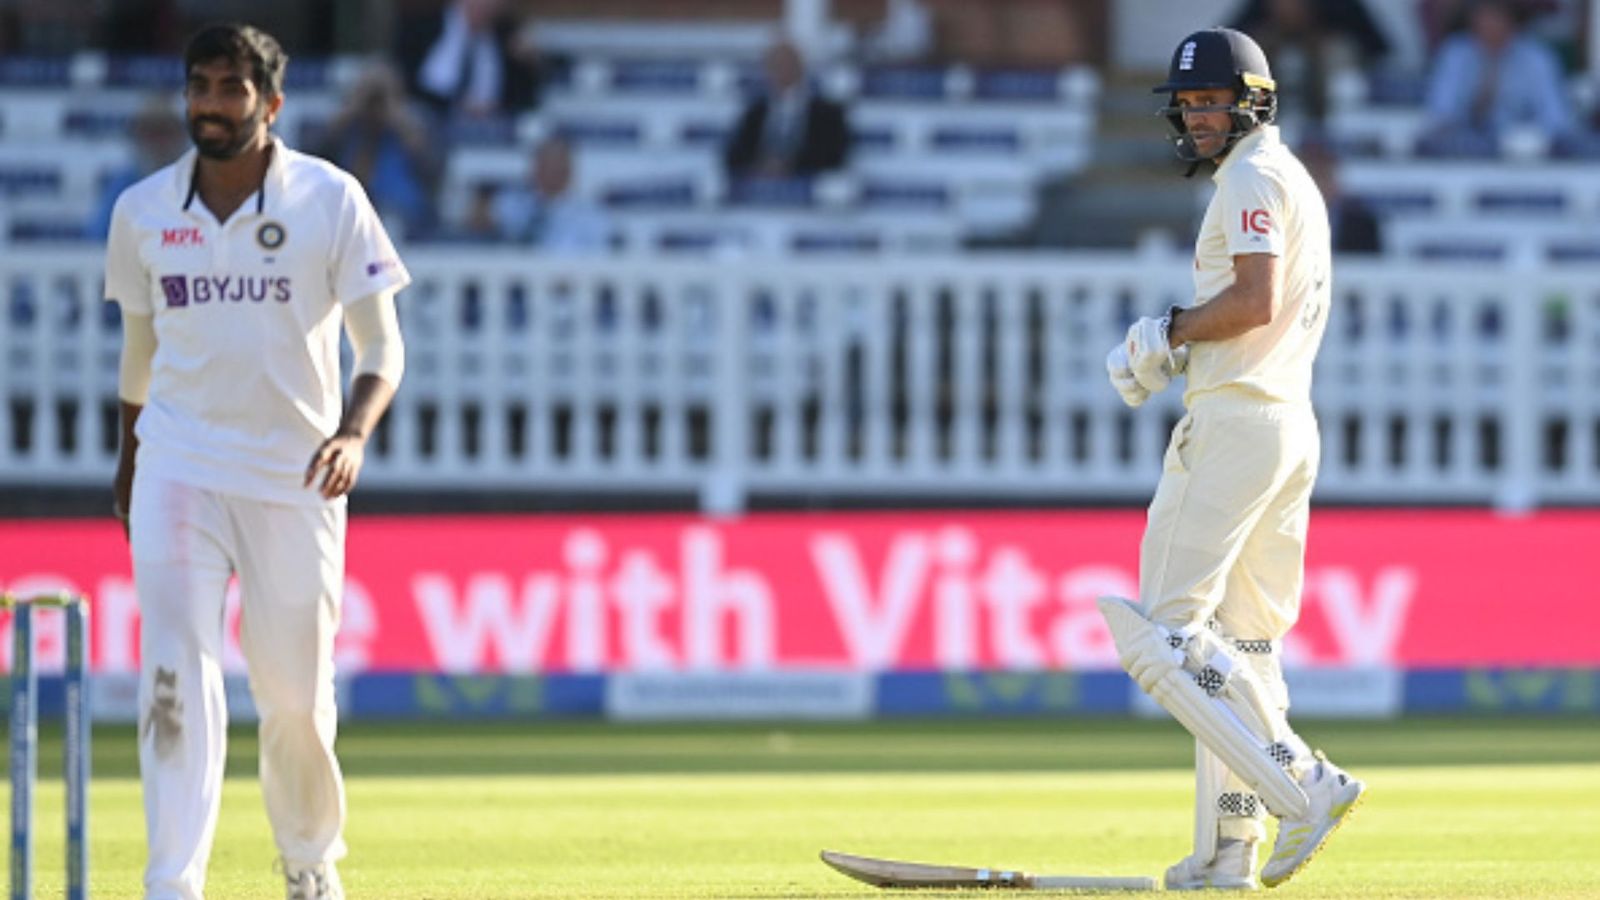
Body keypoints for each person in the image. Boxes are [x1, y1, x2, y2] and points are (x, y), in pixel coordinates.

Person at [104, 23, 409, 900]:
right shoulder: (143, 211)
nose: (210, 104)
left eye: (231, 89)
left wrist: (352, 433)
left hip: (295, 473)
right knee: (174, 671)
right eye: (198, 86)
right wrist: (129, 459)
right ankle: (173, 882)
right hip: (180, 464)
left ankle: (310, 863)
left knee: (296, 696)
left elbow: (381, 346)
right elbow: (138, 355)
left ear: (270, 104)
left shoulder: (330, 197)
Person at [1101, 27, 1365, 892]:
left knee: (1160, 638)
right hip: (1287, 423)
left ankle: (1301, 781)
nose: (1197, 116)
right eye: (1188, 104)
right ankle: (1227, 854)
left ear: (1251, 102)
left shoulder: (1251, 178)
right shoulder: (1288, 177)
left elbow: (1251, 301)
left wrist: (1167, 333)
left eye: (1212, 101)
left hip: (1238, 422)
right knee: (1243, 646)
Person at [1421, 0, 1573, 155]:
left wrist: (1528, 137)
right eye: (1484, 17)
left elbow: (1557, 119)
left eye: (1498, 17)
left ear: (1514, 21)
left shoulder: (1537, 59)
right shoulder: (1455, 54)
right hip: (1464, 155)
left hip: (1522, 156)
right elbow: (1440, 111)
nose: (1491, 25)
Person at [314, 60, 441, 239]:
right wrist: (354, 106)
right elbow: (314, 158)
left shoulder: (415, 123)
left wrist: (396, 114)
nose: (375, 106)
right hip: (348, 217)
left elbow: (433, 171)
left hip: (402, 219)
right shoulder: (346, 127)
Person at [723, 40, 850, 181]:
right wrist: (762, 165)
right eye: (776, 65)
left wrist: (789, 165)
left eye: (788, 64)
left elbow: (834, 156)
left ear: (801, 67)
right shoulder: (755, 112)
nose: (782, 71)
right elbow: (733, 156)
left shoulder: (827, 113)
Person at [396, 0, 541, 120]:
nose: (486, 5)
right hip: (430, 122)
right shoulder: (423, 27)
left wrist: (529, 66)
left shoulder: (506, 38)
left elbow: (524, 102)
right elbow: (406, 84)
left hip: (488, 132)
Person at [88, 95, 190, 239]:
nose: (159, 143)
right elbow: (96, 238)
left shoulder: (200, 183)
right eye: (151, 133)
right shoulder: (123, 186)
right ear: (138, 137)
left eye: (166, 132)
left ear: (181, 136)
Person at [489, 136, 612, 252]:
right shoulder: (509, 205)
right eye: (546, 164)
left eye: (558, 165)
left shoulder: (591, 215)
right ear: (534, 168)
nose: (552, 171)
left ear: (569, 171)